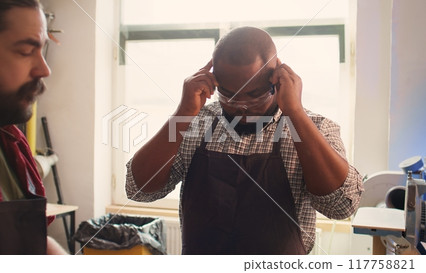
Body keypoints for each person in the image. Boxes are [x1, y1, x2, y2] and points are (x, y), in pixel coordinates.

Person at [126, 26, 363, 254]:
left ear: (276, 80)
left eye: (253, 94)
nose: (242, 107)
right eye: (229, 95)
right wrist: (183, 112)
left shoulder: (315, 127)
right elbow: (139, 191)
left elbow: (341, 206)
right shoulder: (195, 124)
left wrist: (296, 113)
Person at [0, 0, 66, 254]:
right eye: (26, 51)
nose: (45, 69)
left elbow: (32, 240)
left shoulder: (9, 138)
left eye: (42, 50)